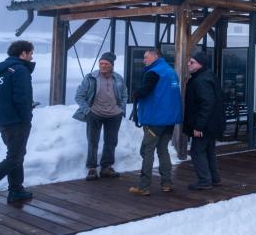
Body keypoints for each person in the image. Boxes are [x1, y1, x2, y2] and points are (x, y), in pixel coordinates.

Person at [128, 48, 181, 196]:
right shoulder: (171, 72)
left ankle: (144, 186)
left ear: (155, 56)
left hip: (155, 119)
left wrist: (135, 94)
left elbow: (146, 90)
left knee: (147, 150)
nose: (144, 60)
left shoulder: (154, 72)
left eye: (146, 57)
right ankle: (166, 183)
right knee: (163, 149)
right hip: (170, 120)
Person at [74, 52, 128, 180]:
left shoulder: (118, 78)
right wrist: (88, 111)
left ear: (112, 65)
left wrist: (121, 109)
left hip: (114, 115)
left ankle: (106, 167)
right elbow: (79, 96)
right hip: (95, 114)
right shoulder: (90, 78)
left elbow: (125, 94)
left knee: (111, 142)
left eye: (106, 64)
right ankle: (92, 168)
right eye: (101, 63)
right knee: (93, 141)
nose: (103, 66)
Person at [0, 40, 35, 204]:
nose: (32, 56)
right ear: (23, 53)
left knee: (15, 154)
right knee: (15, 156)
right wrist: (27, 118)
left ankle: (16, 190)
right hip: (16, 121)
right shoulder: (20, 70)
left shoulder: (1, 69)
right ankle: (16, 189)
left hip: (2, 120)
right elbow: (22, 98)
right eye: (31, 53)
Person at [183, 50, 226, 190]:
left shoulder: (201, 80)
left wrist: (199, 126)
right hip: (211, 124)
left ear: (200, 64)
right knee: (209, 151)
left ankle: (204, 180)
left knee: (197, 151)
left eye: (192, 62)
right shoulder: (206, 76)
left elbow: (206, 104)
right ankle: (214, 178)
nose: (188, 64)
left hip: (205, 125)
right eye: (189, 61)